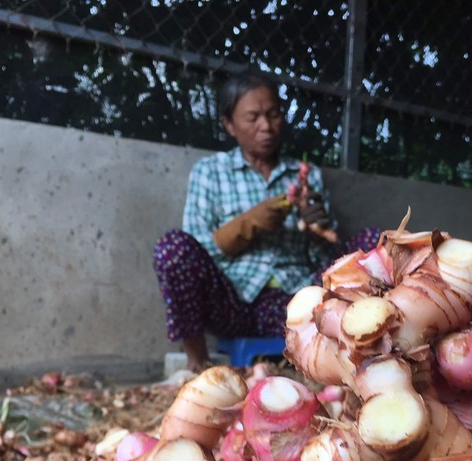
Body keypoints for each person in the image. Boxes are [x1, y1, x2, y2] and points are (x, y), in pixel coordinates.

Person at [153, 72, 379, 370]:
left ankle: (363, 356)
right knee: (172, 249)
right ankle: (197, 363)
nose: (266, 126)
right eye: (253, 118)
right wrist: (249, 224)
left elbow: (329, 259)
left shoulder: (305, 174)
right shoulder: (209, 172)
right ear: (229, 125)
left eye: (273, 115)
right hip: (234, 302)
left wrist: (318, 227)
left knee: (374, 242)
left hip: (295, 298)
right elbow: (197, 244)